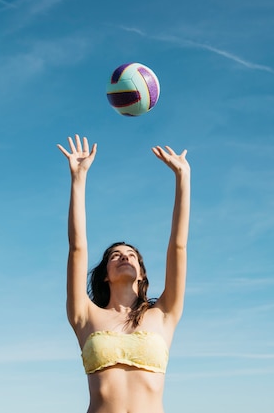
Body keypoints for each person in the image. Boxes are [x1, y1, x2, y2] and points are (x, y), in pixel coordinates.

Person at [57, 134, 191, 413]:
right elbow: (77, 248)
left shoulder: (164, 314)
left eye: (131, 255)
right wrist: (78, 179)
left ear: (142, 274)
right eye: (115, 255)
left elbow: (178, 246)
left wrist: (183, 178)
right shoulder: (85, 315)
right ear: (105, 274)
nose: (124, 257)